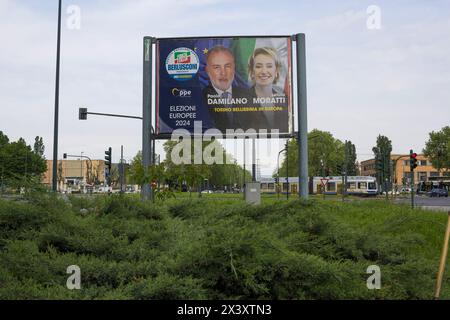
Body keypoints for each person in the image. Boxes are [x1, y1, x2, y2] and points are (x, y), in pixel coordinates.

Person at [202, 45, 250, 132]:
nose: (223, 73)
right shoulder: (199, 99)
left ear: (234, 68)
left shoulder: (249, 96)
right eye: (217, 67)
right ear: (207, 70)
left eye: (227, 66)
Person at [247, 47, 289, 132]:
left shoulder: (284, 101)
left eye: (269, 66)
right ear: (252, 71)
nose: (264, 71)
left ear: (276, 71)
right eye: (258, 66)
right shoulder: (240, 100)